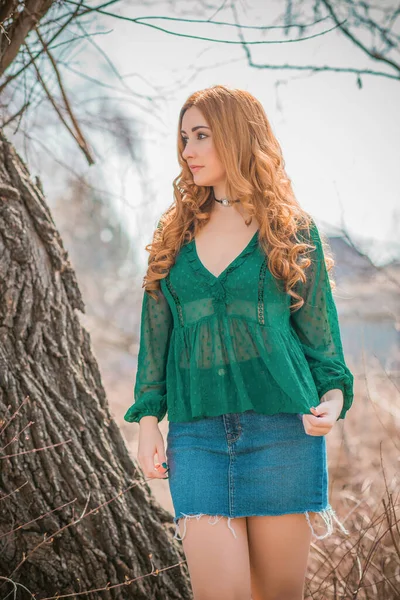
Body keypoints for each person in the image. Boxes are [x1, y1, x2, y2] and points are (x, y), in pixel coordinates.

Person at [124, 84, 354, 600]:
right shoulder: (172, 236)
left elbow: (323, 348)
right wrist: (146, 423)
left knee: (276, 595)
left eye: (201, 135)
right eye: (184, 138)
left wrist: (334, 402)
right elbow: (154, 341)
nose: (188, 150)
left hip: (282, 433)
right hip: (197, 438)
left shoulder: (290, 231)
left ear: (236, 136)